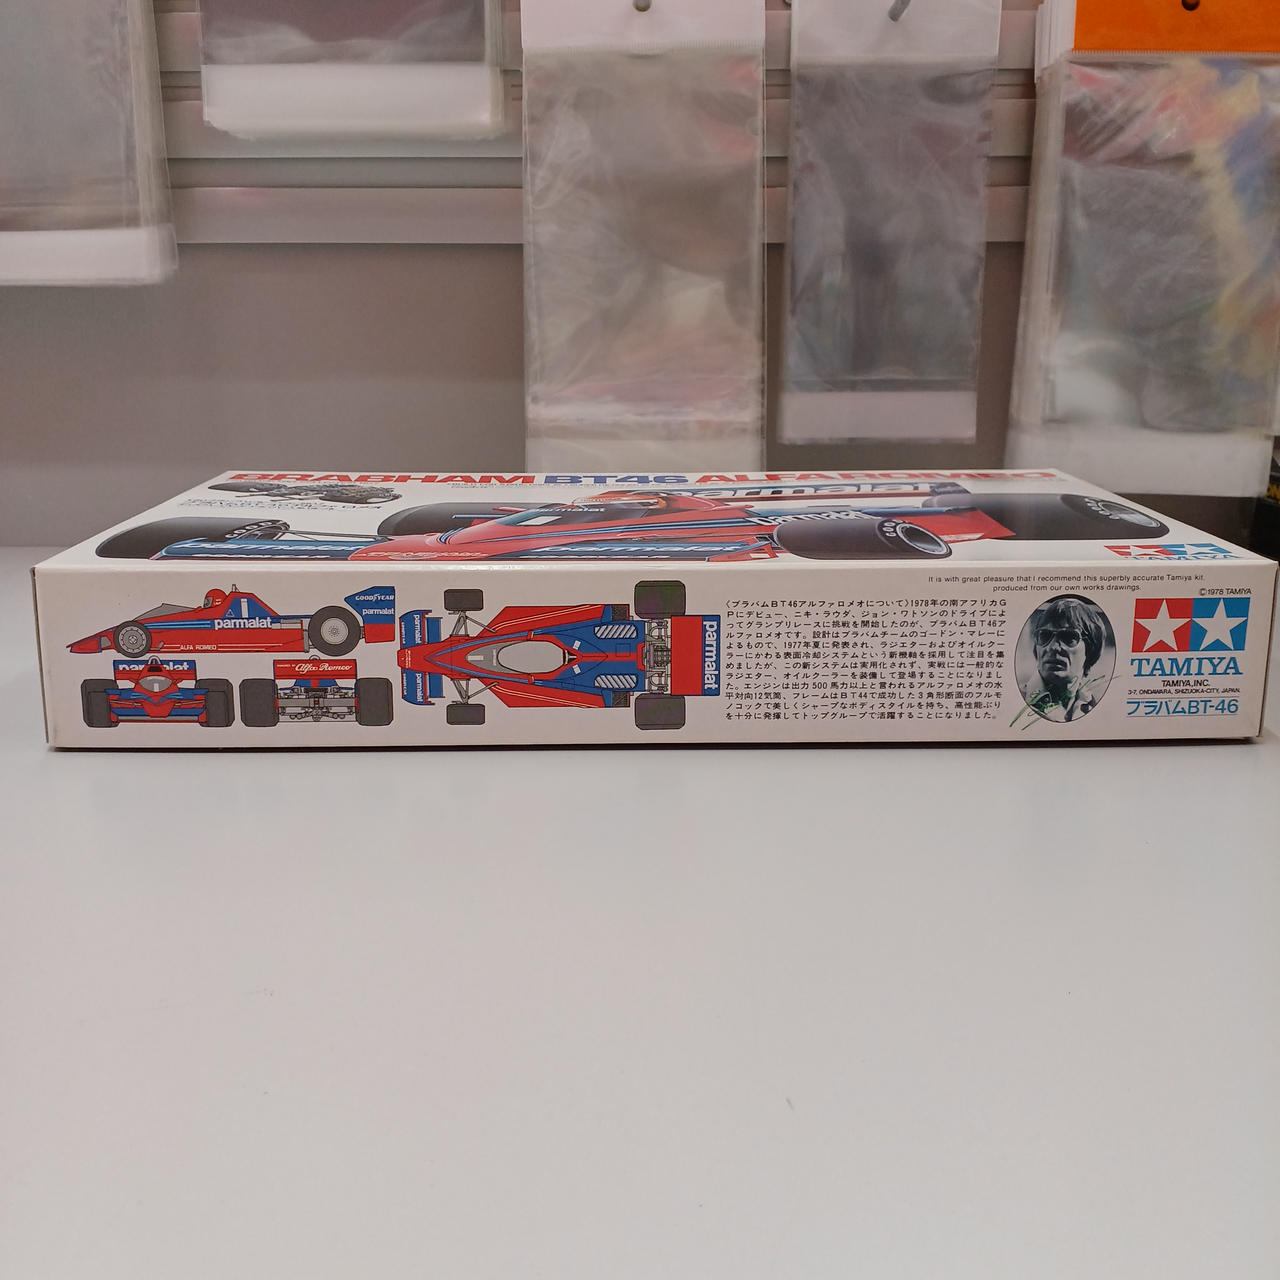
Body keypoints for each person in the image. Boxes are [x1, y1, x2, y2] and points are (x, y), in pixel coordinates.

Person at [1020, 595, 1110, 723]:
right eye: (1044, 636)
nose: (1053, 647)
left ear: (1091, 651)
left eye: (1068, 637)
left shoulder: (1096, 708)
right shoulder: (1015, 701)